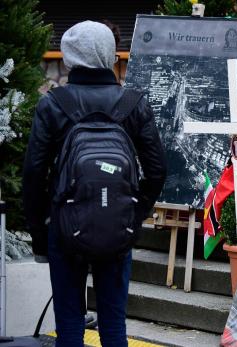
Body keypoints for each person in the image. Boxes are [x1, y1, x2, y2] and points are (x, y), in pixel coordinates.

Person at [22, 21, 166, 346]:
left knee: (70, 325)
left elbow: (32, 175)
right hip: (117, 228)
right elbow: (156, 171)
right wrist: (132, 214)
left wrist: (40, 233)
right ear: (110, 55)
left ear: (70, 58)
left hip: (64, 228)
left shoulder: (53, 104)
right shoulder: (133, 103)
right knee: (114, 324)